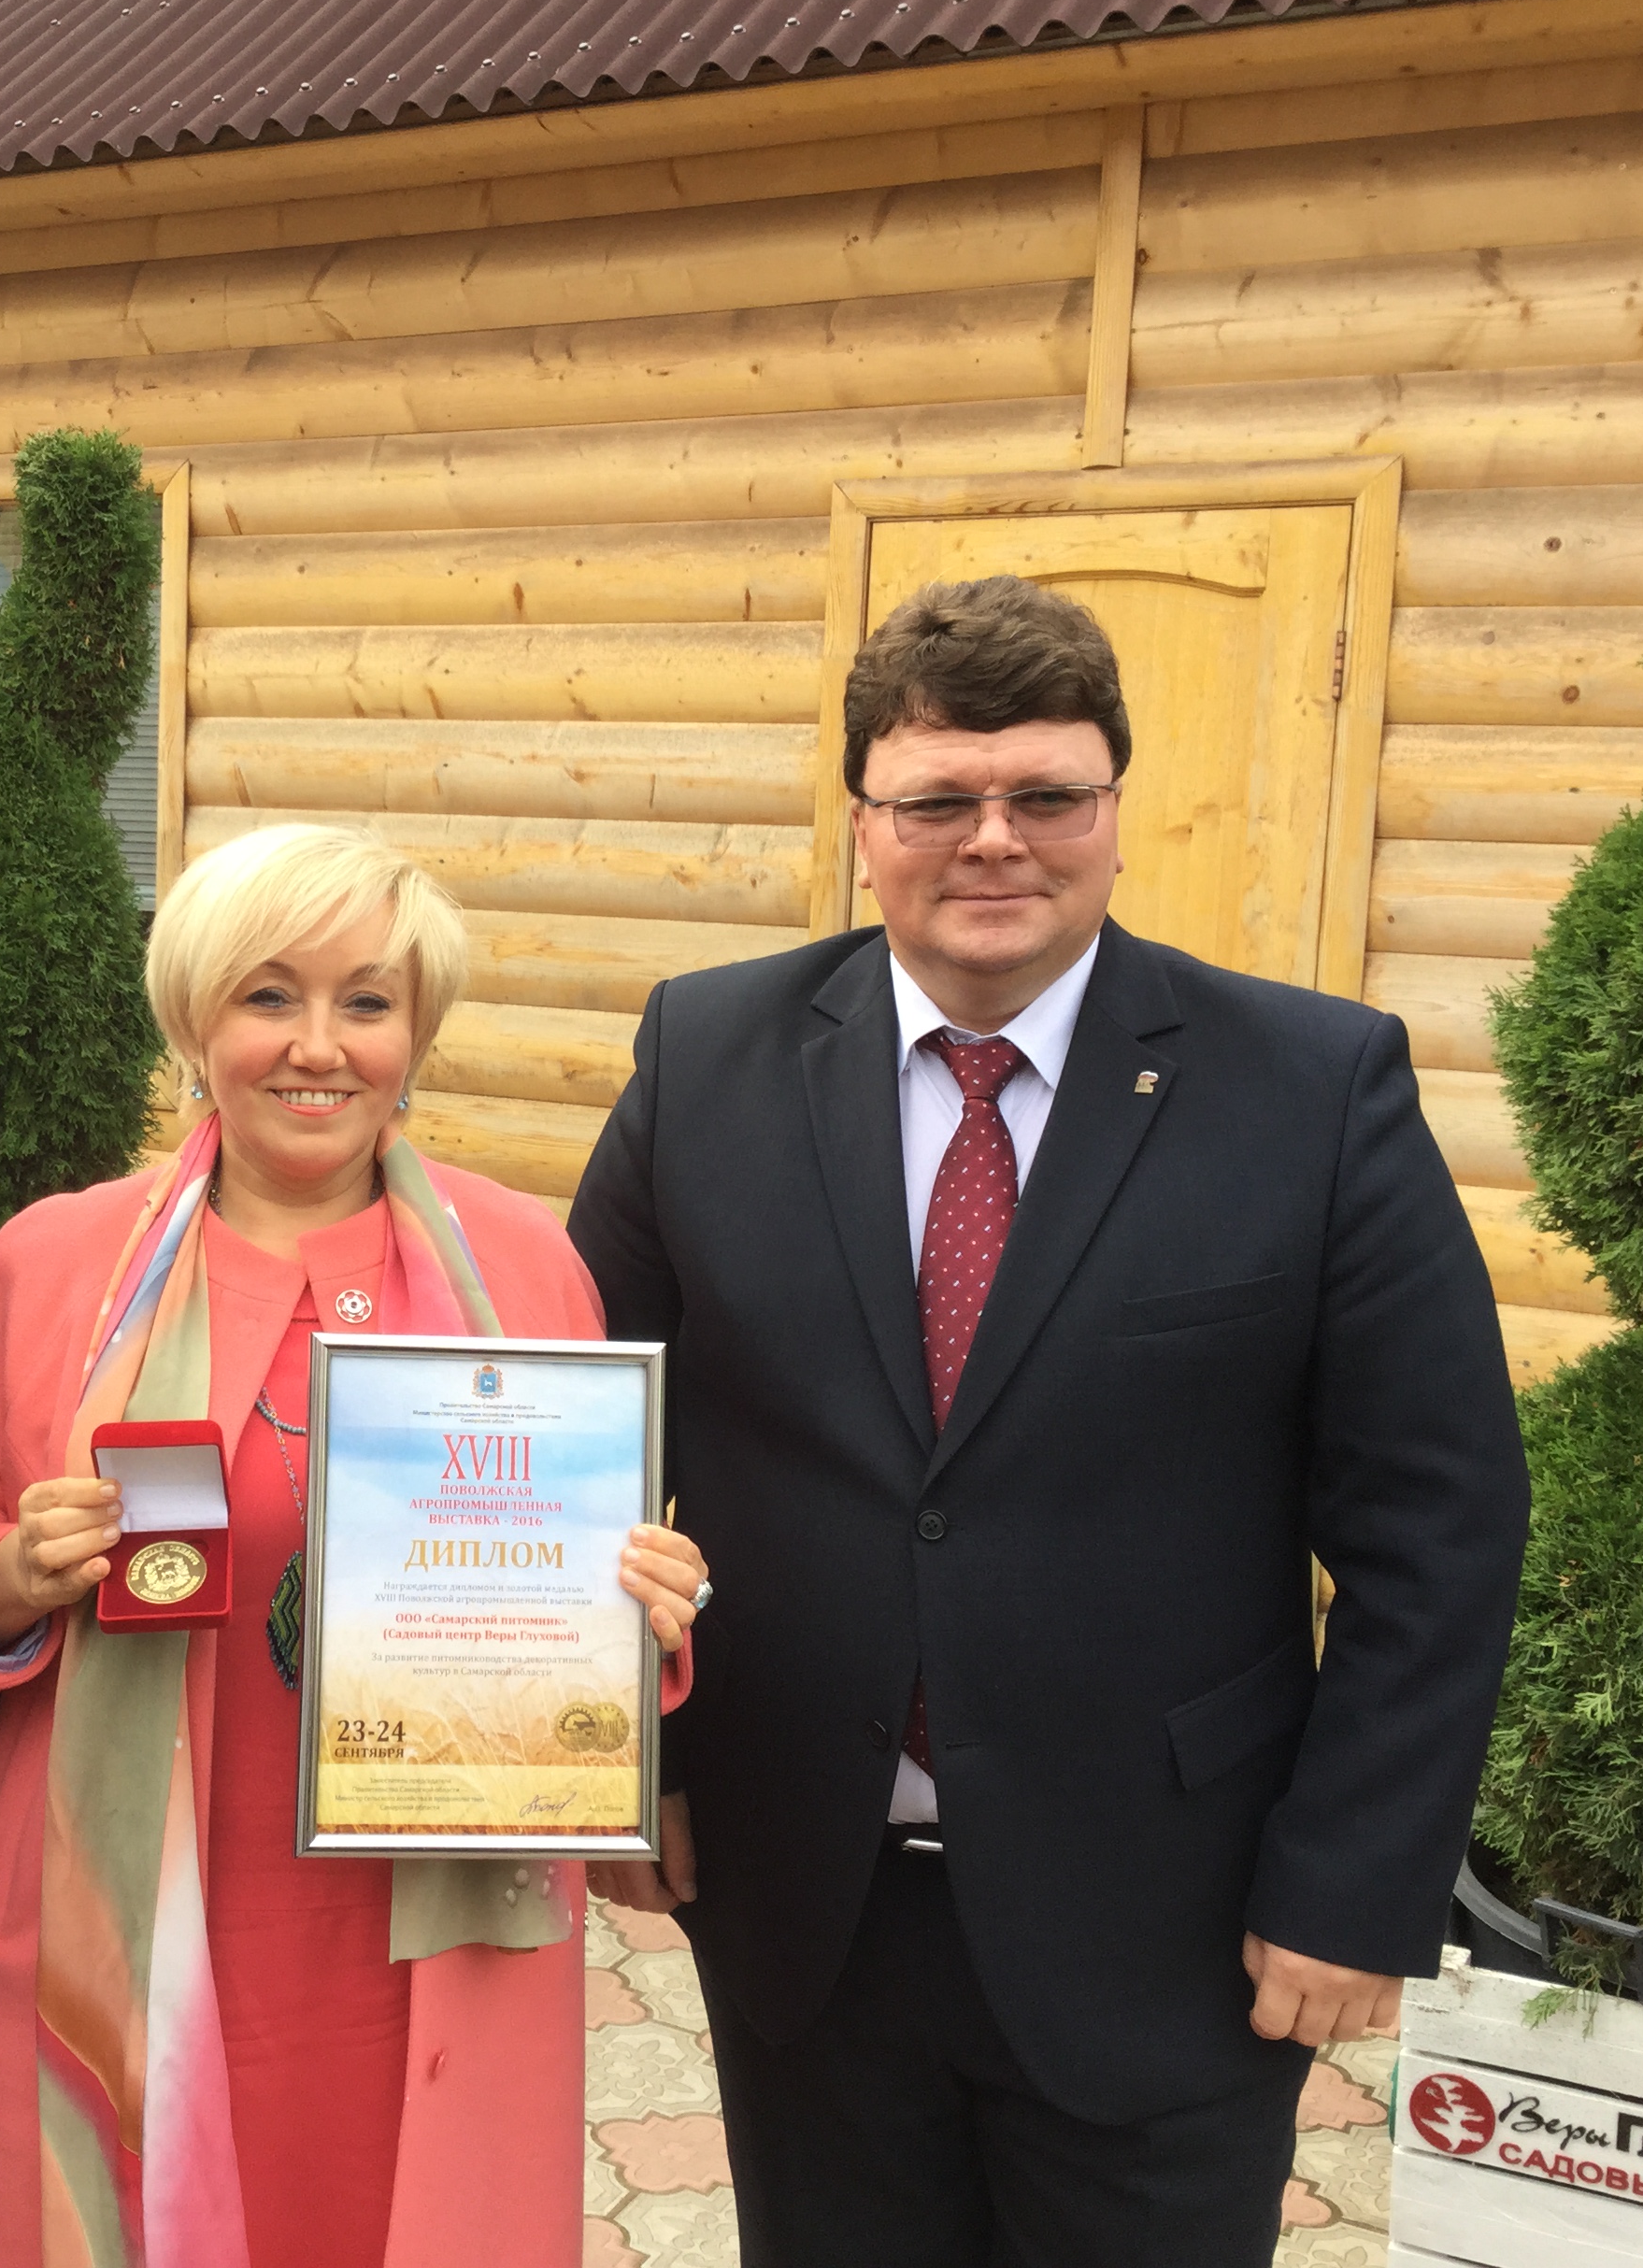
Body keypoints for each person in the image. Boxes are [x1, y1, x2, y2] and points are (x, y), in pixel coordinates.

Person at [567, 575, 1531, 2267]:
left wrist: (1355, 1883)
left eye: (1046, 795)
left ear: (1113, 810)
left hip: (1169, 1924)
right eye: (939, 800)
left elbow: (1437, 1526)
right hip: (805, 1909)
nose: (994, 840)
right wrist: (628, 1767)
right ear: (865, 822)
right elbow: (591, 1441)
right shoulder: (705, 1054)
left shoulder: (1314, 1089)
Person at [0, 822, 705, 2268]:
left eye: (366, 1002)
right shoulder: (55, 1265)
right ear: (195, 1022)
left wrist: (643, 1602)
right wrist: (7, 1573)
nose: (318, 1047)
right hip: (126, 1894)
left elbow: (584, 1571)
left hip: (434, 1915)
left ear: (417, 1034)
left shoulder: (523, 1266)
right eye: (268, 996)